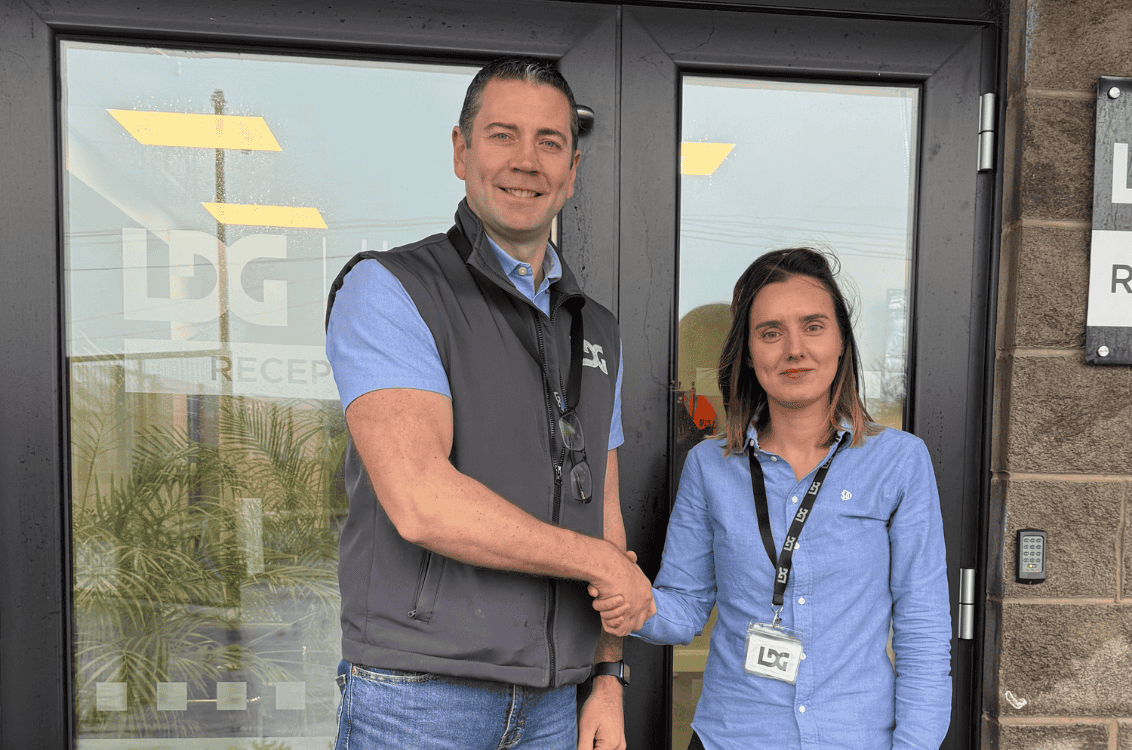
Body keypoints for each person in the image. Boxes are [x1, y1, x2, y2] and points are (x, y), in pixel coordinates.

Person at [324, 56, 653, 750]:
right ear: (461, 151)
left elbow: (604, 512)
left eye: (549, 142)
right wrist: (599, 564)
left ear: (572, 171)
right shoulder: (391, 289)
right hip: (420, 698)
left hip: (555, 702)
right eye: (503, 135)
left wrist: (607, 675)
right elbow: (421, 500)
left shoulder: (596, 329)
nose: (526, 161)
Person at [607, 248, 951, 749]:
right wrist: (635, 604)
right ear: (749, 352)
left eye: (813, 326)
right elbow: (685, 608)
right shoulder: (709, 466)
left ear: (840, 340)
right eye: (771, 333)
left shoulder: (899, 462)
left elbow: (923, 632)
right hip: (733, 737)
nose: (794, 350)